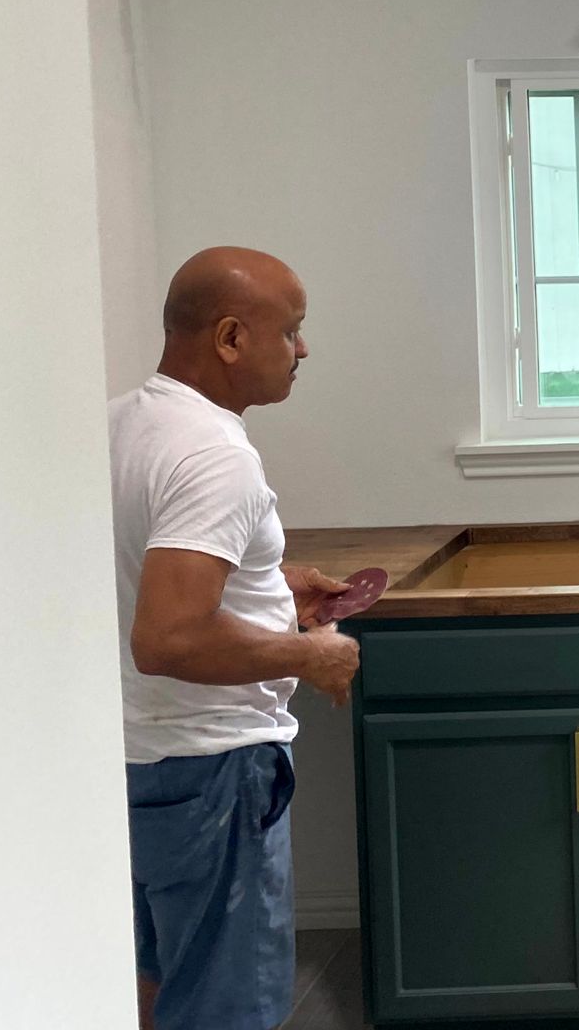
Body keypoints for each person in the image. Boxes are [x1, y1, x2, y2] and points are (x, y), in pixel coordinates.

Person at [111, 247, 360, 1030]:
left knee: (156, 983)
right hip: (215, 769)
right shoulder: (216, 456)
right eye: (290, 330)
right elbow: (170, 636)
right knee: (227, 1007)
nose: (302, 349)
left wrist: (273, 585)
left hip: (134, 760)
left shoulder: (122, 424)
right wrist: (310, 654)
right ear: (229, 338)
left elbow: (142, 574)